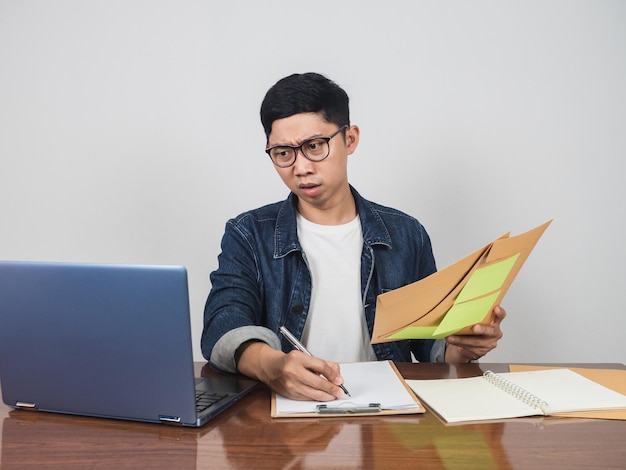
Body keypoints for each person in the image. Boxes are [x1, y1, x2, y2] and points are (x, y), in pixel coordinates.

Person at [201, 72, 505, 401]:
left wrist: (464, 346)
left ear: (349, 139)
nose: (300, 167)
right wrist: (272, 366)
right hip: (288, 418)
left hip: (387, 421)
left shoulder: (405, 234)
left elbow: (429, 342)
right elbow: (222, 322)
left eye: (314, 146)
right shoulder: (249, 233)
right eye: (283, 153)